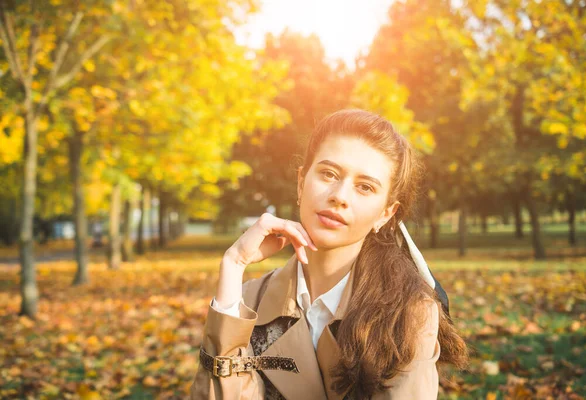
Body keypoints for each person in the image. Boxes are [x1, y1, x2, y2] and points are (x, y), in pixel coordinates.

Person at [190, 109, 469, 399]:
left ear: (386, 214)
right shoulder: (248, 302)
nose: (339, 196)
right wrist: (233, 264)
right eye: (329, 174)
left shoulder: (409, 312)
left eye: (365, 187)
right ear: (301, 183)